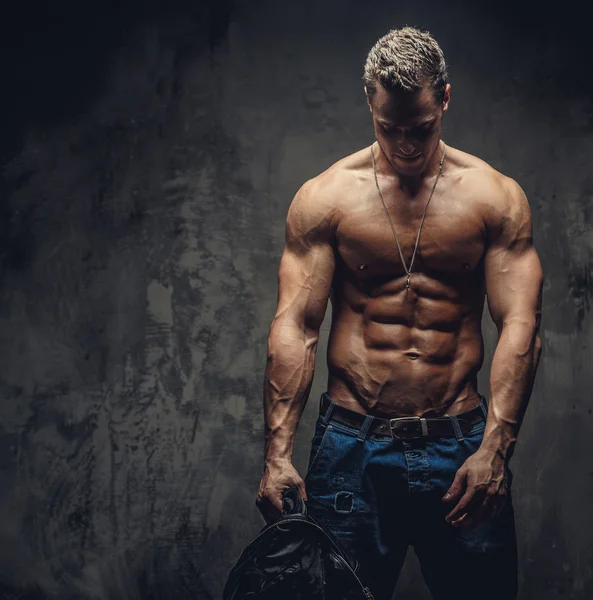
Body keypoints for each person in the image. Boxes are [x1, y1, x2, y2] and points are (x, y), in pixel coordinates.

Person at [256, 26, 543, 600]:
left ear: (445, 99)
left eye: (422, 129)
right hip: (351, 448)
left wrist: (495, 448)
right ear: (370, 103)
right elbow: (296, 326)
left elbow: (521, 325)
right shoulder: (327, 198)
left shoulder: (494, 197)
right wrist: (278, 453)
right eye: (389, 129)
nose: (406, 145)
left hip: (460, 441)